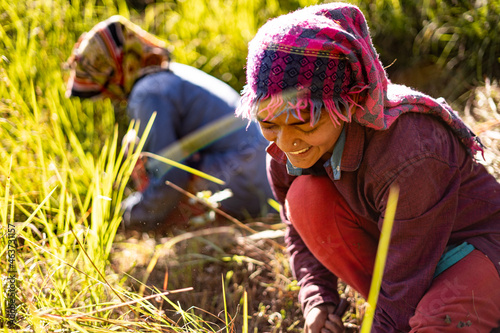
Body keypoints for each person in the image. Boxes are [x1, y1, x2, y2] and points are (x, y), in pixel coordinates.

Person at [236, 3, 500, 332]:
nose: (287, 142)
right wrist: (317, 297)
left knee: (437, 324)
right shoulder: (287, 149)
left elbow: (406, 279)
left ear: (347, 102)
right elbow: (298, 233)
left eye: (303, 122)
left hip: (470, 249)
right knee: (303, 198)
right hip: (401, 256)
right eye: (268, 122)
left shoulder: (410, 151)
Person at [66, 15, 273, 232]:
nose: (109, 98)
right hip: (260, 164)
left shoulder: (147, 93)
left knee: (143, 158)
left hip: (246, 177)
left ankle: (175, 221)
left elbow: (169, 173)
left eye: (105, 90)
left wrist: (126, 216)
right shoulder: (168, 74)